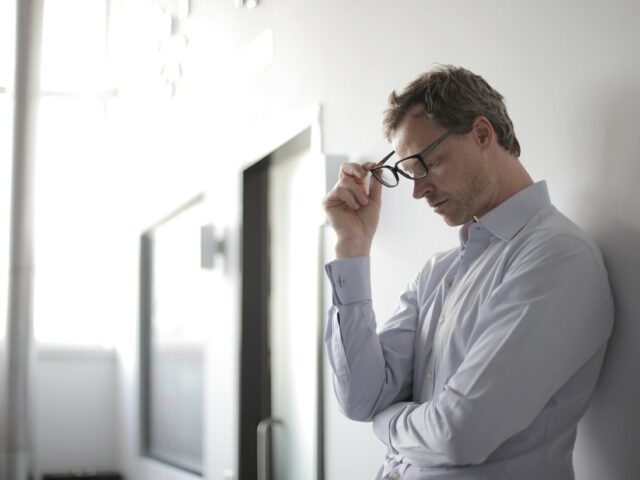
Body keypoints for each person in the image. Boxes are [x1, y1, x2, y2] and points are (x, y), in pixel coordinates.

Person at [321, 65, 614, 480]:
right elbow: (360, 397)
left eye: (426, 163)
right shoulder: (437, 272)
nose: (418, 190)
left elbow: (459, 434)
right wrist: (352, 248)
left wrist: (387, 423)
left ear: (481, 134)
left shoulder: (558, 256)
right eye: (408, 172)